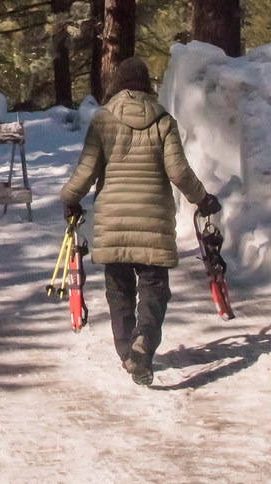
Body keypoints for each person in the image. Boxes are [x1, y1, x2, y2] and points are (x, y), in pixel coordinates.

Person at [60, 56, 222, 386]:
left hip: (114, 222)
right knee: (153, 290)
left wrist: (70, 199)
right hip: (153, 221)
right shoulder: (163, 121)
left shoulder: (103, 120)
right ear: (148, 85)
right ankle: (143, 346)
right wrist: (202, 199)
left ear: (117, 84)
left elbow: (87, 170)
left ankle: (126, 351)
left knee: (118, 290)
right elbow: (178, 171)